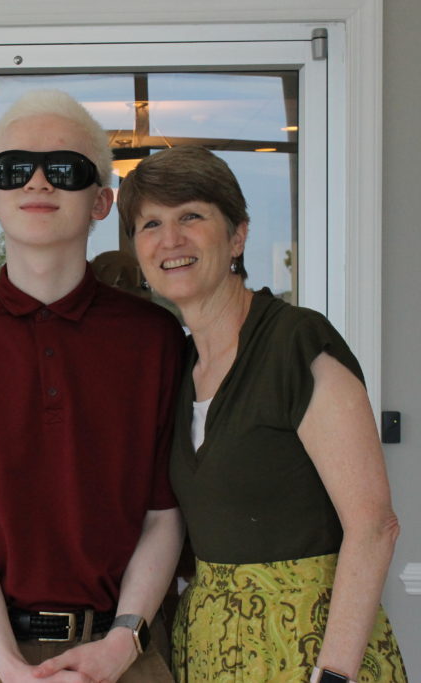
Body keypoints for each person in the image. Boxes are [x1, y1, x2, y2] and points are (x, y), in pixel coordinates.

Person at [0, 89, 185, 682]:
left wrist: (121, 645)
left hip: (122, 650)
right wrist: (10, 667)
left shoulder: (155, 338)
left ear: (100, 202)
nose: (37, 182)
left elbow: (163, 516)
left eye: (64, 169)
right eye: (14, 170)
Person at [116, 145, 406, 683]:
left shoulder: (295, 342)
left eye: (191, 217)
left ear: (238, 235)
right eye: (150, 223)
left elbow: (374, 526)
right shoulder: (177, 365)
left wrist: (334, 675)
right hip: (212, 652)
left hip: (310, 653)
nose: (170, 239)